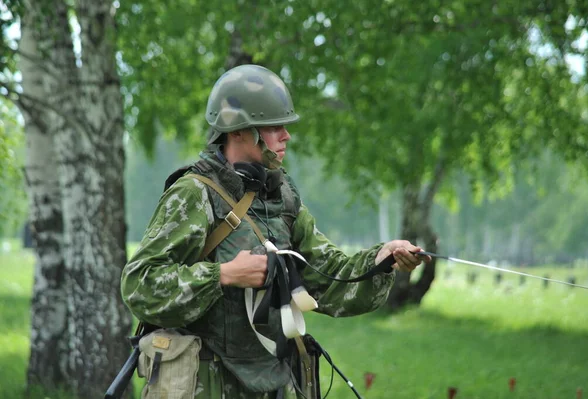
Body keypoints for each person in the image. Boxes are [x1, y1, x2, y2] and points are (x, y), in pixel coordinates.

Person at [120, 64, 430, 399]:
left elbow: (328, 281)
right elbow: (139, 285)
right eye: (274, 126)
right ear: (238, 130)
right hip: (207, 386)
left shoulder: (283, 198)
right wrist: (222, 275)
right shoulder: (195, 195)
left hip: (274, 386)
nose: (286, 136)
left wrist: (381, 260)